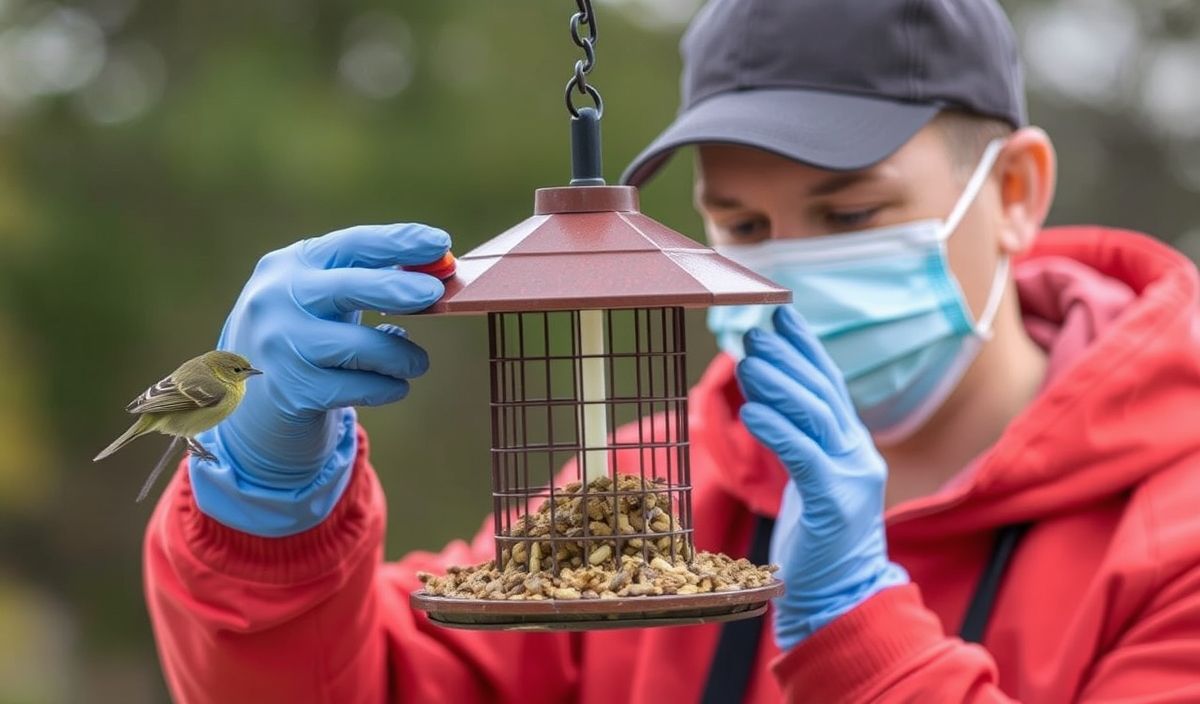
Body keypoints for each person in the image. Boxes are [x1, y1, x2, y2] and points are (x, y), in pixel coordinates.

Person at [143, 0, 1200, 702]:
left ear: (1013, 192)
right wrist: (267, 507)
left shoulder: (1173, 534)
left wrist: (861, 631)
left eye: (848, 215)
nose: (785, 268)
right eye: (741, 227)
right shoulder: (646, 491)